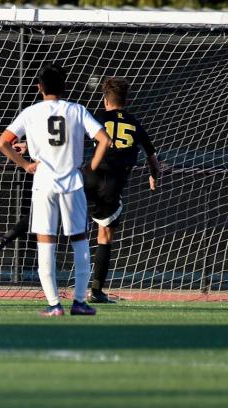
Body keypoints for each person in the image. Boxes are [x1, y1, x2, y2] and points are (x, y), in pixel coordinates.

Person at [0, 63, 110, 317]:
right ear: (65, 86)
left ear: (39, 87)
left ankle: (54, 305)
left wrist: (26, 164)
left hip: (44, 182)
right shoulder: (77, 110)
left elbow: (3, 142)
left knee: (45, 241)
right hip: (72, 182)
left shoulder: (31, 112)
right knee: (79, 240)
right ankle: (79, 302)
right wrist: (90, 166)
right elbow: (104, 139)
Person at [84, 77, 162, 303]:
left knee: (69, 227)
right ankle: (96, 291)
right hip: (111, 186)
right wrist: (153, 176)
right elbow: (153, 160)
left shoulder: (97, 118)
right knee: (104, 236)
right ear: (125, 100)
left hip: (89, 177)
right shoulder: (135, 123)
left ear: (105, 101)